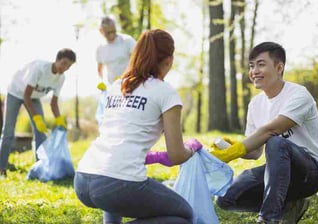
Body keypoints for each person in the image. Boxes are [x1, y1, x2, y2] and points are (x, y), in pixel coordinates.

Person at [74, 29, 202, 224]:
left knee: (114, 190)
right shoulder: (166, 92)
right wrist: (191, 148)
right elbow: (177, 155)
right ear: (169, 60)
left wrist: (155, 156)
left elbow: (121, 137)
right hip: (117, 184)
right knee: (184, 216)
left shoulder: (118, 86)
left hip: (83, 178)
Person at [210, 42, 318, 224]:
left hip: (311, 172)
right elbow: (255, 152)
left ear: (279, 67)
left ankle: (269, 218)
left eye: (261, 64)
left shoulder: (299, 95)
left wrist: (234, 153)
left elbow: (272, 130)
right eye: (251, 66)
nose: (254, 71)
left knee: (275, 142)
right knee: (226, 198)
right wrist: (231, 146)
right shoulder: (255, 104)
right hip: (280, 173)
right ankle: (288, 205)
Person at [0, 48, 76, 178]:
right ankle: (2, 168)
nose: (65, 68)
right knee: (8, 132)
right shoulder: (40, 68)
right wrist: (36, 117)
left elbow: (53, 103)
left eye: (69, 65)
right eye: (64, 63)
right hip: (16, 92)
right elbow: (26, 95)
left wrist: (59, 119)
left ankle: (39, 168)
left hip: (34, 97)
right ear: (57, 60)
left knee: (41, 132)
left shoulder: (61, 78)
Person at [96, 16, 136, 91]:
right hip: (112, 89)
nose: (112, 35)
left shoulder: (128, 41)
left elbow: (137, 61)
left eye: (113, 31)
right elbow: (99, 69)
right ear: (101, 31)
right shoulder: (100, 48)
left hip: (130, 86)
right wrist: (102, 82)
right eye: (108, 33)